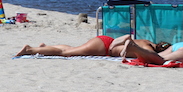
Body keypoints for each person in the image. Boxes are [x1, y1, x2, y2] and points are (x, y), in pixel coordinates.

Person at [15, 34, 170, 58]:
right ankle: (30, 49)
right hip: (102, 47)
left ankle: (45, 46)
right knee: (65, 53)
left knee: (71, 48)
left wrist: (115, 43)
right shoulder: (148, 50)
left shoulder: (147, 41)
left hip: (105, 40)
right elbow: (155, 58)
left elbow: (128, 37)